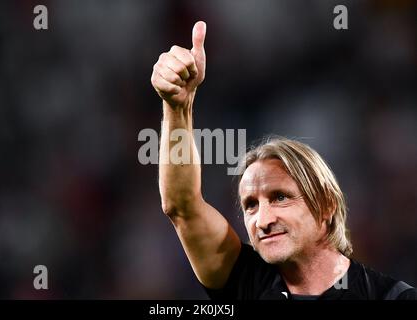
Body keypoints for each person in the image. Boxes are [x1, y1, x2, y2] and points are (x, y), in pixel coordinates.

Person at [150, 21, 417, 300]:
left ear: (326, 205)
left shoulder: (391, 297)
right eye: (251, 205)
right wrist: (178, 106)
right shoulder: (245, 281)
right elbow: (181, 206)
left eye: (280, 198)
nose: (263, 220)